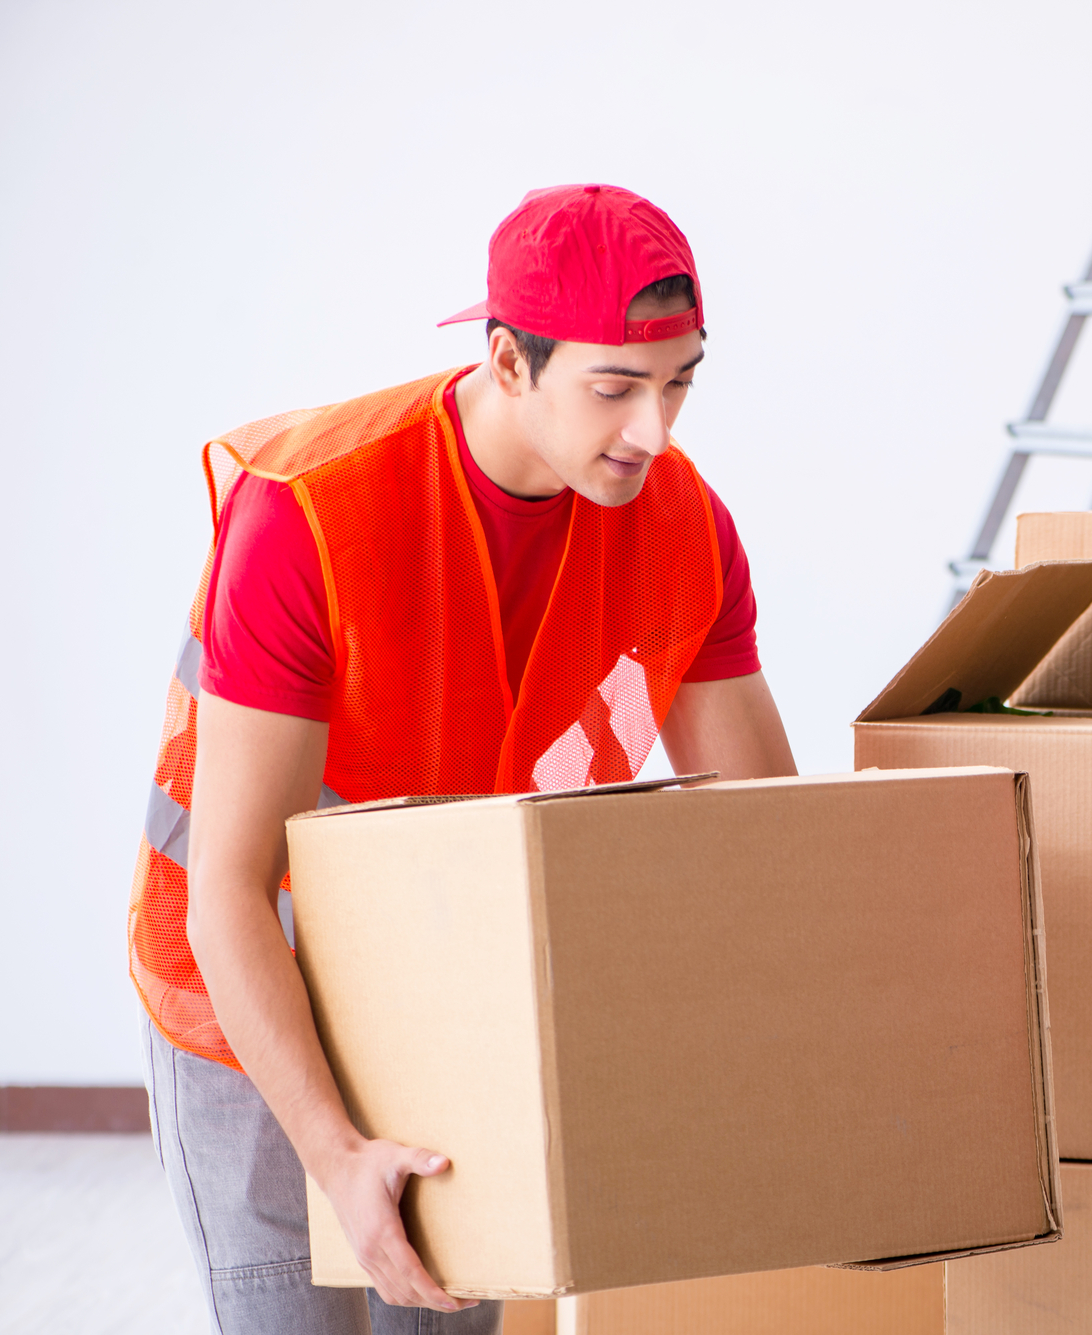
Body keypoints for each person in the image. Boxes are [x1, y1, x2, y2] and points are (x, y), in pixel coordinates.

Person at [130, 183, 798, 1333]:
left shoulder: (684, 526)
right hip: (250, 996)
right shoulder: (313, 511)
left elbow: (762, 842)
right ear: (506, 359)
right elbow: (231, 890)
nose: (654, 429)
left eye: (681, 380)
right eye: (615, 387)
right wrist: (337, 1153)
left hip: (452, 995)